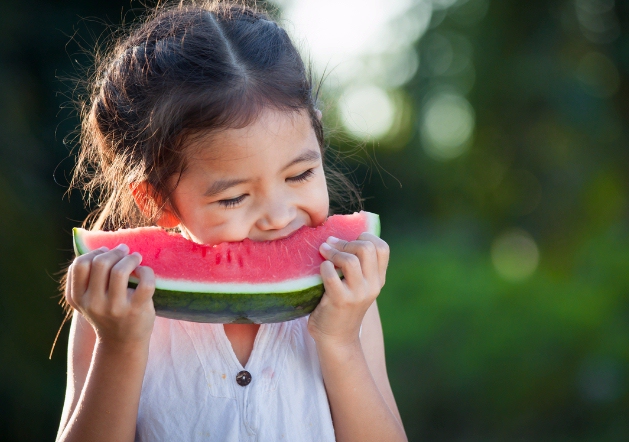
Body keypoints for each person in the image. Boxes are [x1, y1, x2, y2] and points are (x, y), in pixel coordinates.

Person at [56, 1, 407, 441]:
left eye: (300, 174)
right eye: (234, 198)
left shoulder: (347, 298)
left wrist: (340, 342)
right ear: (155, 200)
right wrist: (120, 345)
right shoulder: (111, 307)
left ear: (318, 137)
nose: (279, 216)